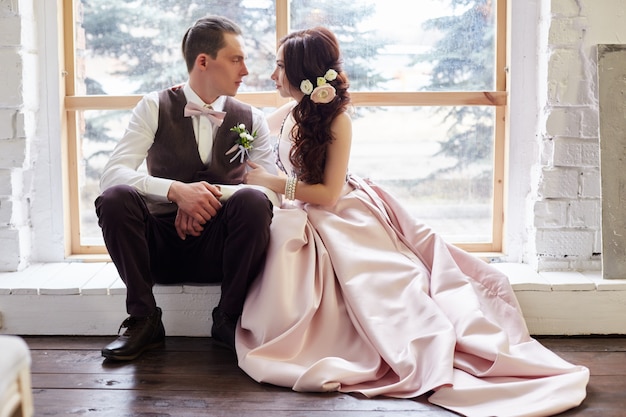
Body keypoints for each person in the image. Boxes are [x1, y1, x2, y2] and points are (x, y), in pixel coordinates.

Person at [237, 27, 589, 417]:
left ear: (304, 72)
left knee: (386, 289)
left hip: (340, 213)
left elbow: (328, 194)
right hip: (300, 210)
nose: (272, 75)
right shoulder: (287, 114)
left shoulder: (338, 122)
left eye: (280, 66)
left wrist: (272, 182)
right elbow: (253, 138)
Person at [95, 15, 277, 361]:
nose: (246, 70)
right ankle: (144, 319)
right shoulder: (153, 105)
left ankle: (228, 318)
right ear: (204, 61)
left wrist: (205, 196)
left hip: (220, 250)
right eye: (237, 59)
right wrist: (177, 192)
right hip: (157, 249)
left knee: (253, 202)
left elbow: (271, 193)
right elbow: (112, 174)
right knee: (115, 197)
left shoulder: (250, 117)